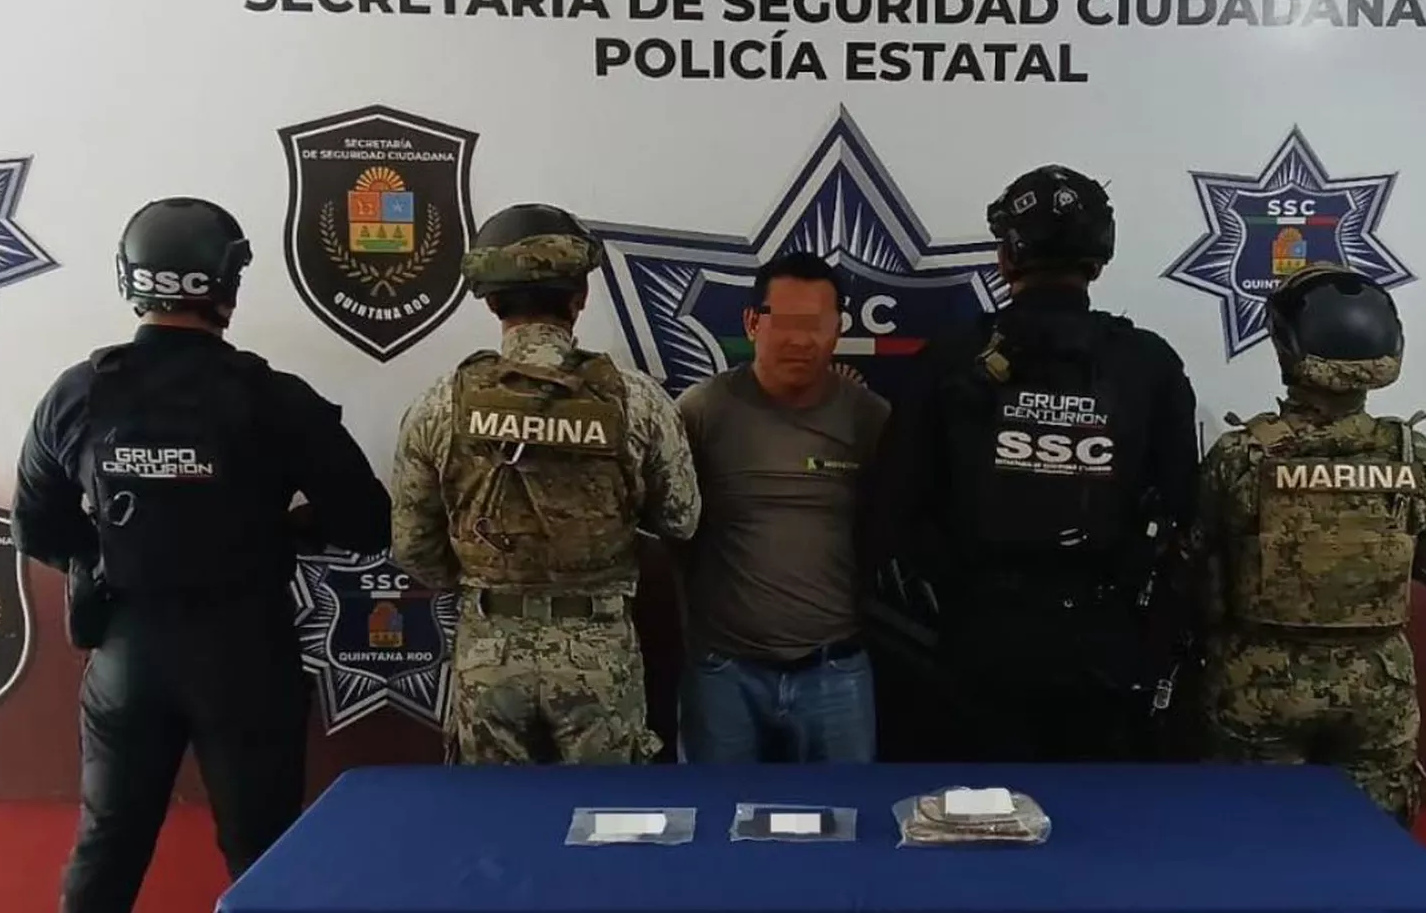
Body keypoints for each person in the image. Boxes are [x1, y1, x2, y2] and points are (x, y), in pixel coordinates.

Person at [11, 197, 391, 913]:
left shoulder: (80, 392)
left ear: (131, 278)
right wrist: (277, 534)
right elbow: (367, 525)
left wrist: (109, 556)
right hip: (247, 655)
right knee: (266, 855)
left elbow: (36, 529)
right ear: (227, 285)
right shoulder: (274, 398)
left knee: (107, 848)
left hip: (127, 655)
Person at [870, 165, 1200, 763]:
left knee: (978, 825)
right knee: (1098, 828)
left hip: (981, 636)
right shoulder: (1149, 363)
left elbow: (895, 504)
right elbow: (1181, 504)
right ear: (1100, 259)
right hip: (1105, 638)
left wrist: (961, 586)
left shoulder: (949, 359)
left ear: (1005, 256)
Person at [390, 202, 699, 765]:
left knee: (493, 834)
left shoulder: (441, 404)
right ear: (579, 298)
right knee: (604, 828)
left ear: (490, 299)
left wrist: (486, 573)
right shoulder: (638, 401)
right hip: (598, 649)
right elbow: (681, 518)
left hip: (488, 647)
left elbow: (413, 546)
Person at [1189, 262, 1426, 827]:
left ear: (1288, 349)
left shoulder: (1243, 456)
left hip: (1259, 682)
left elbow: (1196, 563)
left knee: (1255, 840)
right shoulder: (1412, 457)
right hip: (1376, 687)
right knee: (1371, 849)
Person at [673, 251, 890, 764]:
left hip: (836, 671)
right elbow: (667, 533)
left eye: (816, 324)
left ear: (838, 329)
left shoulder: (870, 418)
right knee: (713, 827)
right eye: (785, 322)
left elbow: (889, 527)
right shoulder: (701, 412)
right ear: (752, 322)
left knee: (849, 828)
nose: (800, 339)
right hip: (723, 674)